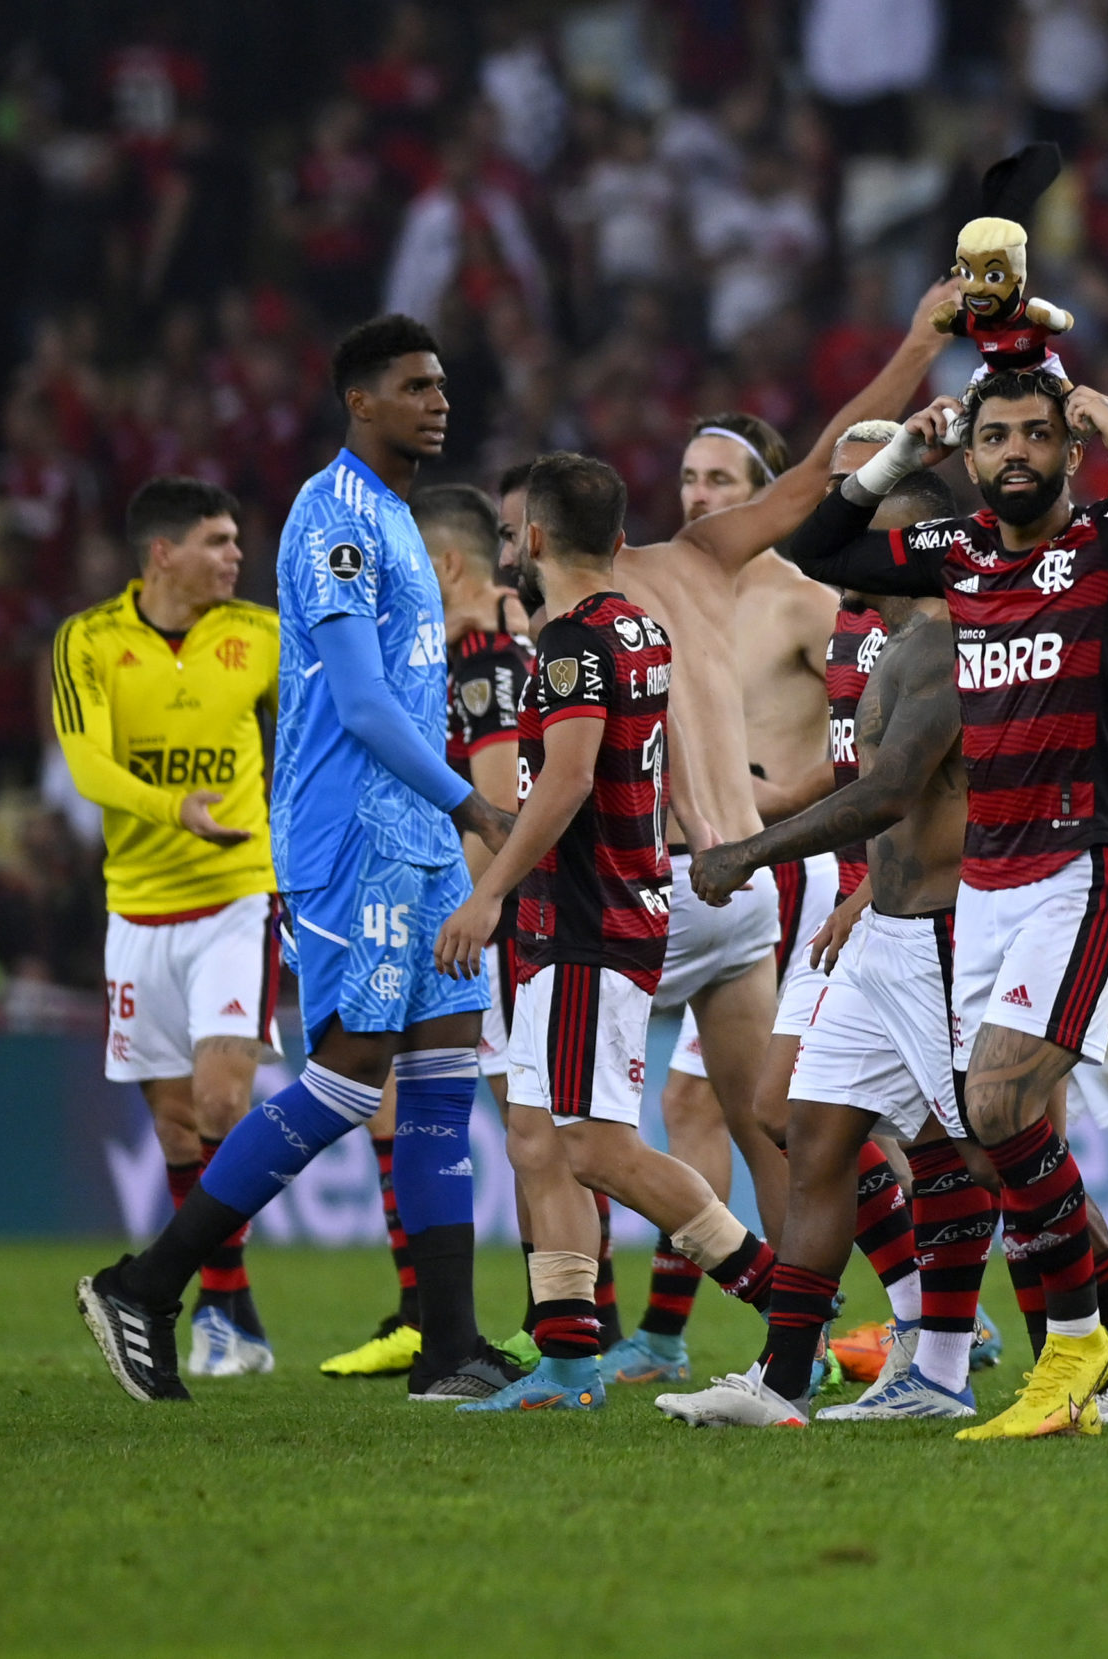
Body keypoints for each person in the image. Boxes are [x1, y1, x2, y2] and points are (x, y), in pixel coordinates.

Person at [784, 370, 1108, 1439]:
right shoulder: (952, 558)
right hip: (989, 882)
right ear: (969, 455)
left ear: (1068, 450)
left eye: (1037, 436)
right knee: (992, 1127)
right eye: (992, 436)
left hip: (1083, 866)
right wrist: (902, 453)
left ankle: (1077, 1345)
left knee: (999, 1111)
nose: (1014, 452)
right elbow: (821, 548)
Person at [75, 314, 519, 1404]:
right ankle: (147, 1284)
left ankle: (448, 1344)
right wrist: (480, 806)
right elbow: (363, 704)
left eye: (442, 382)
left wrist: (452, 823)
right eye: (415, 385)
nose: (438, 400)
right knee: (349, 1069)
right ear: (359, 401)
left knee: (444, 1075)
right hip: (352, 837)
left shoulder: (403, 521)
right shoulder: (337, 518)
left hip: (420, 843)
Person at [600, 287, 953, 1386]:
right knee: (756, 1108)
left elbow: (887, 767)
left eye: (722, 483)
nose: (700, 494)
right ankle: (853, 1333)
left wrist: (770, 831)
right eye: (692, 478)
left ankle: (965, 1326)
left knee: (899, 1126)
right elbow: (852, 761)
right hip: (763, 864)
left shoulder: (815, 599)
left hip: (805, 877)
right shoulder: (693, 588)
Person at [435, 452, 782, 1415]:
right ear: (622, 540)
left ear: (535, 539)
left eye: (513, 534)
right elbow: (649, 760)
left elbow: (568, 778)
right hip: (592, 915)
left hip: (587, 921)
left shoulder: (568, 644)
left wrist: (488, 893)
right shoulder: (641, 625)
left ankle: (787, 1306)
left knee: (597, 1147)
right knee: (539, 1138)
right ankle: (569, 1360)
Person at [665, 469, 988, 1425]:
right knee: (802, 1125)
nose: (841, 548)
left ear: (915, 548)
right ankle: (787, 1380)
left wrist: (750, 849)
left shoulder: (941, 644)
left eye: (869, 532)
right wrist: (860, 890)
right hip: (877, 915)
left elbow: (889, 790)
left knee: (996, 1154)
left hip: (939, 931)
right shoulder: (880, 638)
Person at [53, 476, 282, 1378]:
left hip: (238, 897)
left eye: (236, 540)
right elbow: (87, 766)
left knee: (226, 1099)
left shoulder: (259, 634)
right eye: (218, 541)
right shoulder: (89, 640)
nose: (235, 556)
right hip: (138, 909)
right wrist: (171, 809)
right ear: (162, 554)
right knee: (180, 1128)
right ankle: (231, 1306)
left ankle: (220, 1314)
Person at [318, 483, 537, 1379]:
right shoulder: (463, 652)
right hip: (471, 910)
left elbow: (499, 804)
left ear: (443, 564)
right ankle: (429, 1314)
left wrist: (471, 914)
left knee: (531, 1120)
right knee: (429, 1108)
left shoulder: (485, 658)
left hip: (496, 917)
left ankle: (564, 1317)